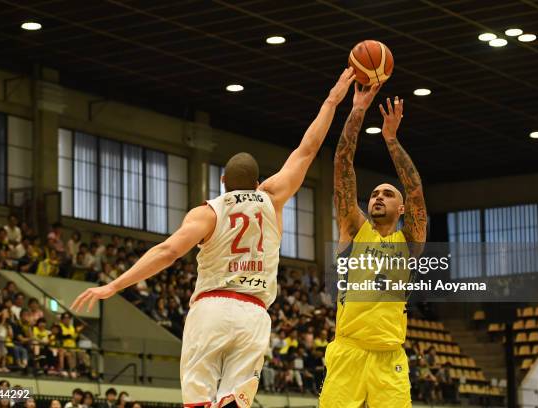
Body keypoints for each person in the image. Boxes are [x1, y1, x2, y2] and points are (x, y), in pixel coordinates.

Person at [72, 68, 356, 408]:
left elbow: (167, 252)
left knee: (198, 401)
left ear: (222, 181)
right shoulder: (273, 196)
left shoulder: (207, 212)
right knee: (233, 402)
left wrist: (114, 285)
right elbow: (307, 149)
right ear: (257, 182)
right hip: (254, 313)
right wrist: (333, 98)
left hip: (211, 308)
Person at [319, 90, 427, 408]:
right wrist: (357, 111)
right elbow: (342, 165)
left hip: (388, 354)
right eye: (375, 193)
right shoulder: (354, 228)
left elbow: (416, 189)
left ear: (402, 208)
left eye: (388, 194)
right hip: (348, 349)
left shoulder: (408, 242)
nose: (378, 196)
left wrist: (391, 140)